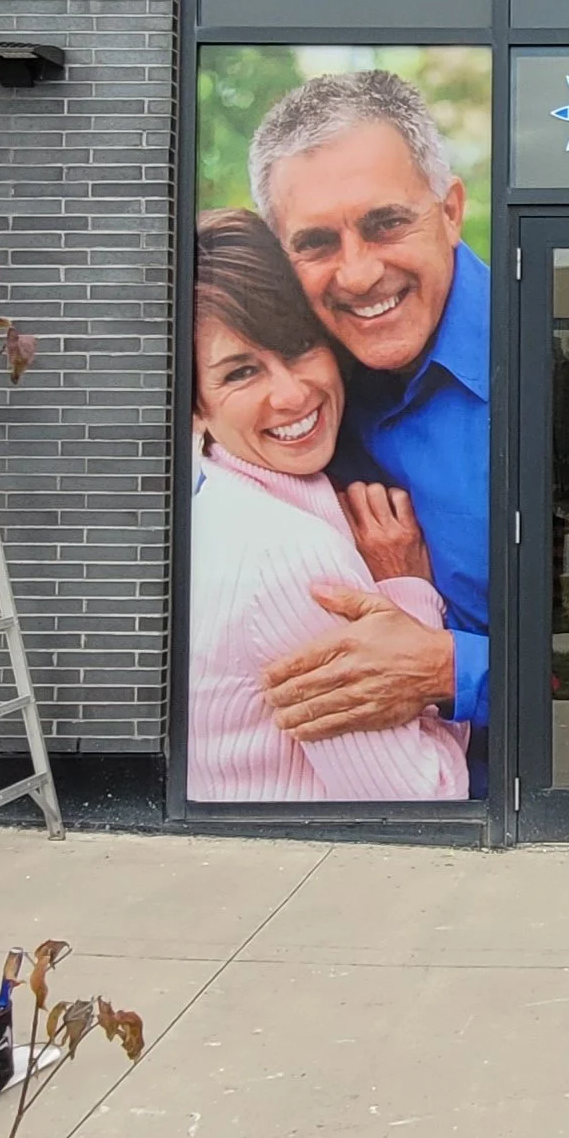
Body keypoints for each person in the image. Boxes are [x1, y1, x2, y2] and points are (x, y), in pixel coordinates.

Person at [244, 70, 490, 774]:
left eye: (385, 224)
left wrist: (449, 668)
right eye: (317, 242)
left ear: (450, 210)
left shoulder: (543, 354)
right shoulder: (284, 388)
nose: (356, 275)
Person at [188, 211, 469, 807]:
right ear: (195, 408)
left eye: (300, 347)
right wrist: (408, 590)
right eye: (241, 372)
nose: (291, 394)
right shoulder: (292, 556)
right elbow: (425, 799)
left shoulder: (219, 504)